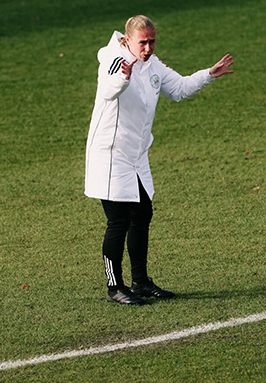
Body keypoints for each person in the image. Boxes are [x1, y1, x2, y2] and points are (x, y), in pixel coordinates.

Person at [84, 15, 234, 305]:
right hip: (111, 155)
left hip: (136, 156)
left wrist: (208, 74)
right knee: (118, 222)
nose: (149, 47)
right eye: (144, 42)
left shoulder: (152, 64)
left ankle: (140, 282)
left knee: (142, 213)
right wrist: (123, 79)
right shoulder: (116, 61)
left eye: (152, 41)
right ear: (128, 40)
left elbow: (178, 89)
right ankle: (115, 286)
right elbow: (106, 91)